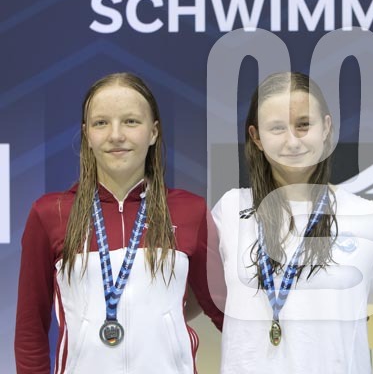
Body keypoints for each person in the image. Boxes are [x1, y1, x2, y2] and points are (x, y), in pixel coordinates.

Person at [14, 73, 224, 374]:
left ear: (153, 132)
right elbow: (30, 329)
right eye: (101, 123)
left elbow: (224, 312)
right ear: (87, 134)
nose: (116, 135)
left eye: (130, 122)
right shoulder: (50, 213)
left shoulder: (190, 211)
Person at [211, 72, 373, 374]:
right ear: (256, 137)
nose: (292, 141)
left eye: (303, 125)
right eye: (277, 128)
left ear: (326, 128)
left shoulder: (371, 218)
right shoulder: (229, 209)